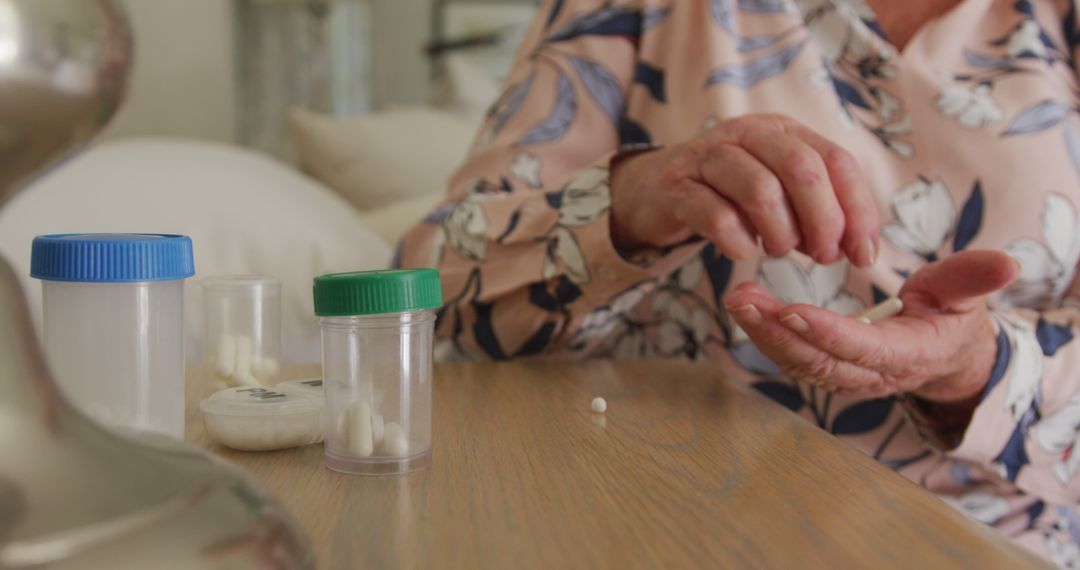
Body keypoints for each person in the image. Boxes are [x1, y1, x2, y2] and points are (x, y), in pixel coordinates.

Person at [397, 0, 1080, 564]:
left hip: (994, 541)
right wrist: (632, 200)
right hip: (660, 521)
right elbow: (428, 287)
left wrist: (976, 369)